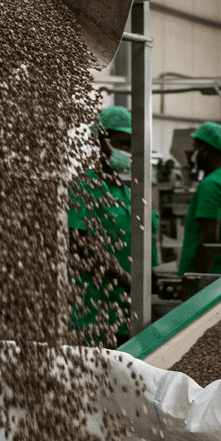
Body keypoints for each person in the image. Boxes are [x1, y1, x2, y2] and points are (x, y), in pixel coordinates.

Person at [67, 105, 158, 347]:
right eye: (120, 143)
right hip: (93, 311)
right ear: (102, 142)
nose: (126, 152)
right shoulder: (82, 187)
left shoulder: (130, 193)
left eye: (130, 145)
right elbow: (79, 239)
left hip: (131, 313)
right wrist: (125, 279)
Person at [178, 121, 221, 277]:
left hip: (212, 274)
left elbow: (209, 238)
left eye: (195, 149)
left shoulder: (211, 184)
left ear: (206, 151)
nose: (193, 156)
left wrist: (197, 278)